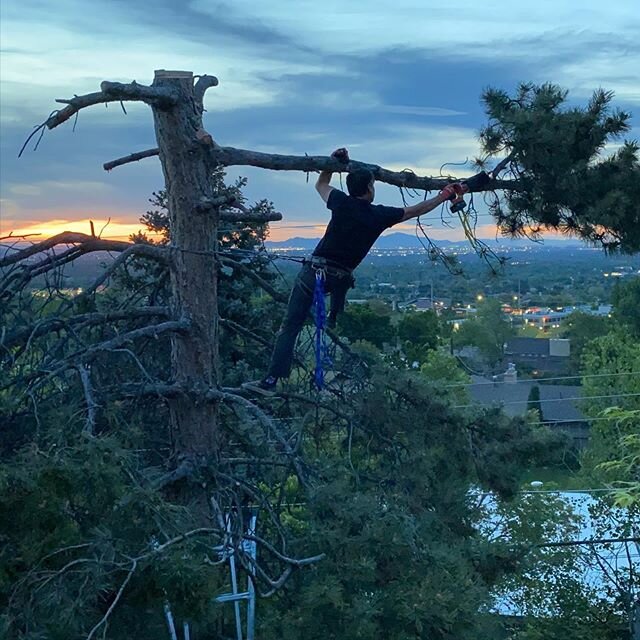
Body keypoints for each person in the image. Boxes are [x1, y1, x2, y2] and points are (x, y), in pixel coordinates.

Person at [243, 148, 468, 395]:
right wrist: (445, 195)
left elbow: (321, 184)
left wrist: (331, 163)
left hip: (313, 273)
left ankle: (271, 380)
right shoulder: (378, 215)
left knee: (290, 325)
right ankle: (333, 320)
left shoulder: (341, 202)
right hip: (336, 280)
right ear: (370, 188)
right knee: (318, 316)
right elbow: (417, 210)